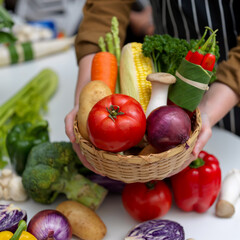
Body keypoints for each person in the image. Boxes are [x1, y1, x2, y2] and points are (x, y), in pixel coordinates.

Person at [65, 0, 240, 173]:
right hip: (162, 111)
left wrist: (207, 112)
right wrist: (85, 95)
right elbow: (106, 6)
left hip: (230, 105)